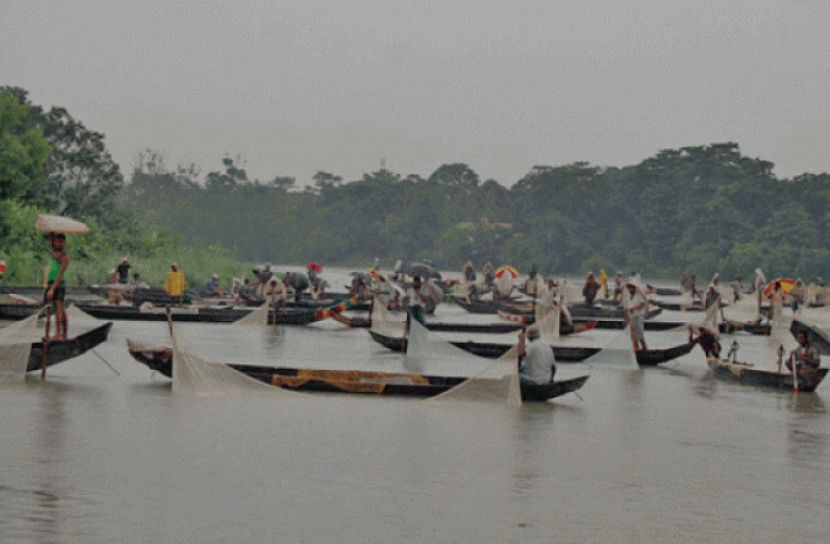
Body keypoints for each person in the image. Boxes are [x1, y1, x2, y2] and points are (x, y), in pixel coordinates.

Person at [44, 233, 70, 339]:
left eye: (62, 242)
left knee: (59, 309)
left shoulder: (65, 257)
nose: (60, 244)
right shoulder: (54, 252)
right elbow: (50, 241)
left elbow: (60, 275)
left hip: (58, 284)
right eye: (58, 241)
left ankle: (60, 333)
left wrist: (52, 288)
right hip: (51, 283)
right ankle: (62, 334)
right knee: (57, 309)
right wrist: (51, 233)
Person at [623, 280, 648, 351]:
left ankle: (644, 348)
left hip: (639, 315)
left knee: (640, 332)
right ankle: (636, 348)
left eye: (631, 288)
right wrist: (626, 318)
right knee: (633, 334)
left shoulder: (638, 294)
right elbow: (626, 309)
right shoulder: (628, 296)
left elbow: (642, 304)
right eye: (629, 288)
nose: (630, 289)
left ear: (634, 288)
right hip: (632, 317)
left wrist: (634, 308)